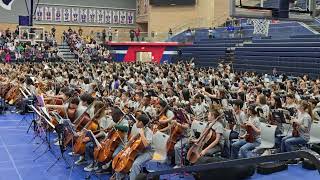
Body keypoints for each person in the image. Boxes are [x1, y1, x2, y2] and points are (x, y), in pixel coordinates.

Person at [112, 113, 154, 180]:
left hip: (148, 152)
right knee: (121, 158)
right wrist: (127, 146)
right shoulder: (139, 129)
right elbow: (133, 141)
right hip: (139, 150)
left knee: (136, 164)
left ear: (140, 122)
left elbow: (146, 145)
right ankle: (119, 178)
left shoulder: (148, 132)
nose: (135, 122)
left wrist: (142, 134)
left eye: (137, 121)